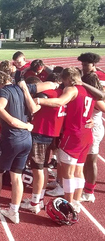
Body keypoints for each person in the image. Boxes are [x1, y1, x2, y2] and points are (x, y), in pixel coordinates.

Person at [0, 70, 56, 224]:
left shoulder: (3, 91)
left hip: (11, 138)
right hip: (26, 138)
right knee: (16, 176)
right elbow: (48, 84)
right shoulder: (22, 88)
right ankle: (14, 211)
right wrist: (55, 84)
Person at [34, 67, 96, 211]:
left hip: (74, 134)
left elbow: (60, 102)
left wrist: (39, 101)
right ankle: (76, 201)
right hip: (86, 134)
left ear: (67, 79)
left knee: (68, 172)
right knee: (78, 170)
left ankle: (69, 203)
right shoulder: (89, 91)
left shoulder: (72, 89)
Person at [18, 78, 65, 214]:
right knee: (43, 168)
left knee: (38, 169)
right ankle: (38, 199)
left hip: (41, 132)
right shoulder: (61, 93)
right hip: (52, 133)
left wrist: (25, 90)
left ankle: (34, 203)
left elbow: (33, 108)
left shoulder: (46, 94)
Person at [80, 73, 105, 203]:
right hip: (90, 129)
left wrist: (94, 121)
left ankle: (89, 192)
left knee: (91, 161)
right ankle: (85, 186)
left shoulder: (96, 98)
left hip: (94, 130)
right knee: (86, 160)